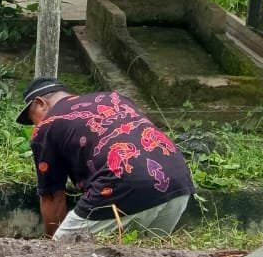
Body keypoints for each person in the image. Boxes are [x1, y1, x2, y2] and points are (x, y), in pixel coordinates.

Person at [16, 77, 194, 241]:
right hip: (178, 183)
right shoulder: (115, 98)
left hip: (123, 186)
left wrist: (50, 245)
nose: (36, 125)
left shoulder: (47, 125)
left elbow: (53, 197)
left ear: (41, 104)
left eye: (33, 120)